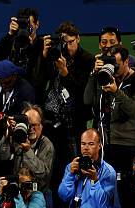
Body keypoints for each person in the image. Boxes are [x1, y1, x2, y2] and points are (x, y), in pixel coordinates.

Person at [84, 46, 135, 175]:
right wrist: (93, 75)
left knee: (124, 185)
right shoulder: (105, 76)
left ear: (127, 62)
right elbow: (87, 101)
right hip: (104, 142)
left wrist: (116, 92)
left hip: (126, 143)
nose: (113, 68)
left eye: (117, 65)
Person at [39, 22, 94, 166]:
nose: (69, 46)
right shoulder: (55, 54)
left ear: (78, 39)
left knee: (75, 158)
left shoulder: (87, 59)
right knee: (54, 159)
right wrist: (44, 57)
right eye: (65, 42)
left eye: (72, 42)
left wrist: (65, 72)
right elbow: (43, 79)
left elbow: (82, 91)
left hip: (74, 117)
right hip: (53, 115)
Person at [58, 129, 117, 208]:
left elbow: (101, 203)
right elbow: (64, 196)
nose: (86, 148)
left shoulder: (108, 172)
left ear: (99, 146)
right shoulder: (72, 167)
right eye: (83, 144)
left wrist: (94, 180)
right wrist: (70, 175)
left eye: (91, 144)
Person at [0, 103, 55, 193]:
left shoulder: (46, 145)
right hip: (15, 190)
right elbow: (0, 157)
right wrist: (8, 136)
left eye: (34, 125)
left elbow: (43, 175)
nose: (30, 128)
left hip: (38, 193)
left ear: (41, 126)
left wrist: (28, 151)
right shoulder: (17, 136)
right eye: (28, 124)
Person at [0, 7, 44, 96]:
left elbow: (39, 75)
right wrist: (10, 34)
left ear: (37, 24)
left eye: (28, 24)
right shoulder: (12, 41)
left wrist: (30, 47)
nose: (26, 28)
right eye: (22, 24)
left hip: (35, 94)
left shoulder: (42, 44)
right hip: (11, 92)